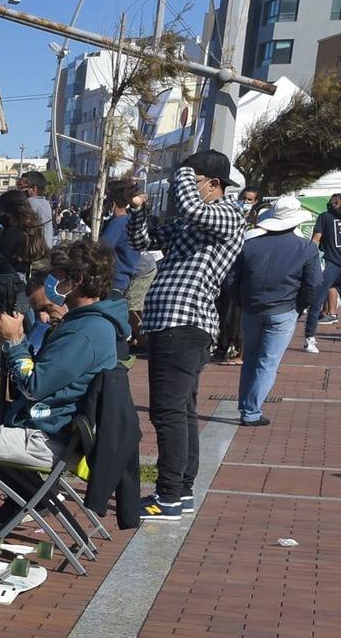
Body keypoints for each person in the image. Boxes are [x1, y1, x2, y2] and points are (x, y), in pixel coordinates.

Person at [128, 151, 245, 520]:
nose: (185, 190)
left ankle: (167, 496)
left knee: (168, 413)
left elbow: (193, 209)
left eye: (194, 182)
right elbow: (142, 241)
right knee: (181, 411)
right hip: (170, 324)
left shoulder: (227, 213)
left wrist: (179, 173)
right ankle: (181, 490)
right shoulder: (191, 224)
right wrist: (137, 211)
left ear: (214, 185)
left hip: (185, 324)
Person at [0, 239, 124, 471]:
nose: (51, 283)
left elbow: (34, 387)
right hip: (48, 426)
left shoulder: (84, 332)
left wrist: (14, 341)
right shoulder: (86, 323)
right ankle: (24, 504)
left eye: (56, 277)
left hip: (48, 437)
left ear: (76, 280)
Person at [229, 196, 326, 426]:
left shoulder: (249, 245)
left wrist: (242, 301)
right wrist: (299, 307)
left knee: (251, 358)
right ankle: (251, 411)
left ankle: (246, 406)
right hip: (284, 308)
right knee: (267, 362)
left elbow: (231, 279)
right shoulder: (305, 248)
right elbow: (313, 284)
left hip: (252, 308)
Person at [99, 180, 143, 299]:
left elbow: (100, 250)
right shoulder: (130, 222)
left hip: (114, 281)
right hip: (125, 280)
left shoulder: (117, 224)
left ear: (112, 204)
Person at [310, 193, 341, 354]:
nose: (331, 205)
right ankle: (309, 338)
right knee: (317, 300)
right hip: (331, 262)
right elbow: (316, 238)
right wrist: (310, 255)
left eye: (333, 203)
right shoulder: (325, 217)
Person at [18, 170, 56, 250]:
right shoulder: (45, 203)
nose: (18, 190)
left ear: (34, 189)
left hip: (33, 252)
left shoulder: (29, 202)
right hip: (45, 250)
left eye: (20, 186)